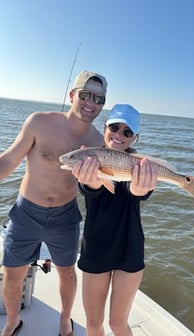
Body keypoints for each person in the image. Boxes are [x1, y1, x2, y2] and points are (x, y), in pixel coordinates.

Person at [0, 70, 107, 336]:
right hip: (26, 212)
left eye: (99, 98)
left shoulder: (98, 142)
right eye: (86, 95)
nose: (91, 103)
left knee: (67, 272)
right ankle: (12, 321)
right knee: (12, 274)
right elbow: (9, 161)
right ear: (72, 95)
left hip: (66, 216)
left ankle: (65, 319)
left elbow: (104, 185)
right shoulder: (39, 122)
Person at [71, 104, 158, 336]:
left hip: (129, 249)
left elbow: (137, 191)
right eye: (115, 127)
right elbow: (92, 187)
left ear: (134, 138)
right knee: (93, 323)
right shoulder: (89, 158)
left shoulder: (139, 166)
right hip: (96, 248)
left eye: (127, 132)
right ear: (105, 127)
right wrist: (91, 178)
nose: (119, 135)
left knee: (118, 324)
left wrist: (141, 188)